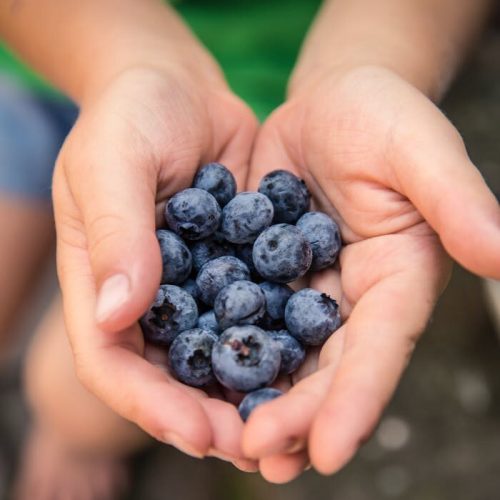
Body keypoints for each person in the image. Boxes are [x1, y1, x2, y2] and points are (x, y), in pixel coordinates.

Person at [0, 0, 498, 496]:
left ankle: (73, 439)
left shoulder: (259, 262)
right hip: (58, 66)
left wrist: (371, 62)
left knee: (73, 398)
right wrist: (130, 63)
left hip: (282, 100)